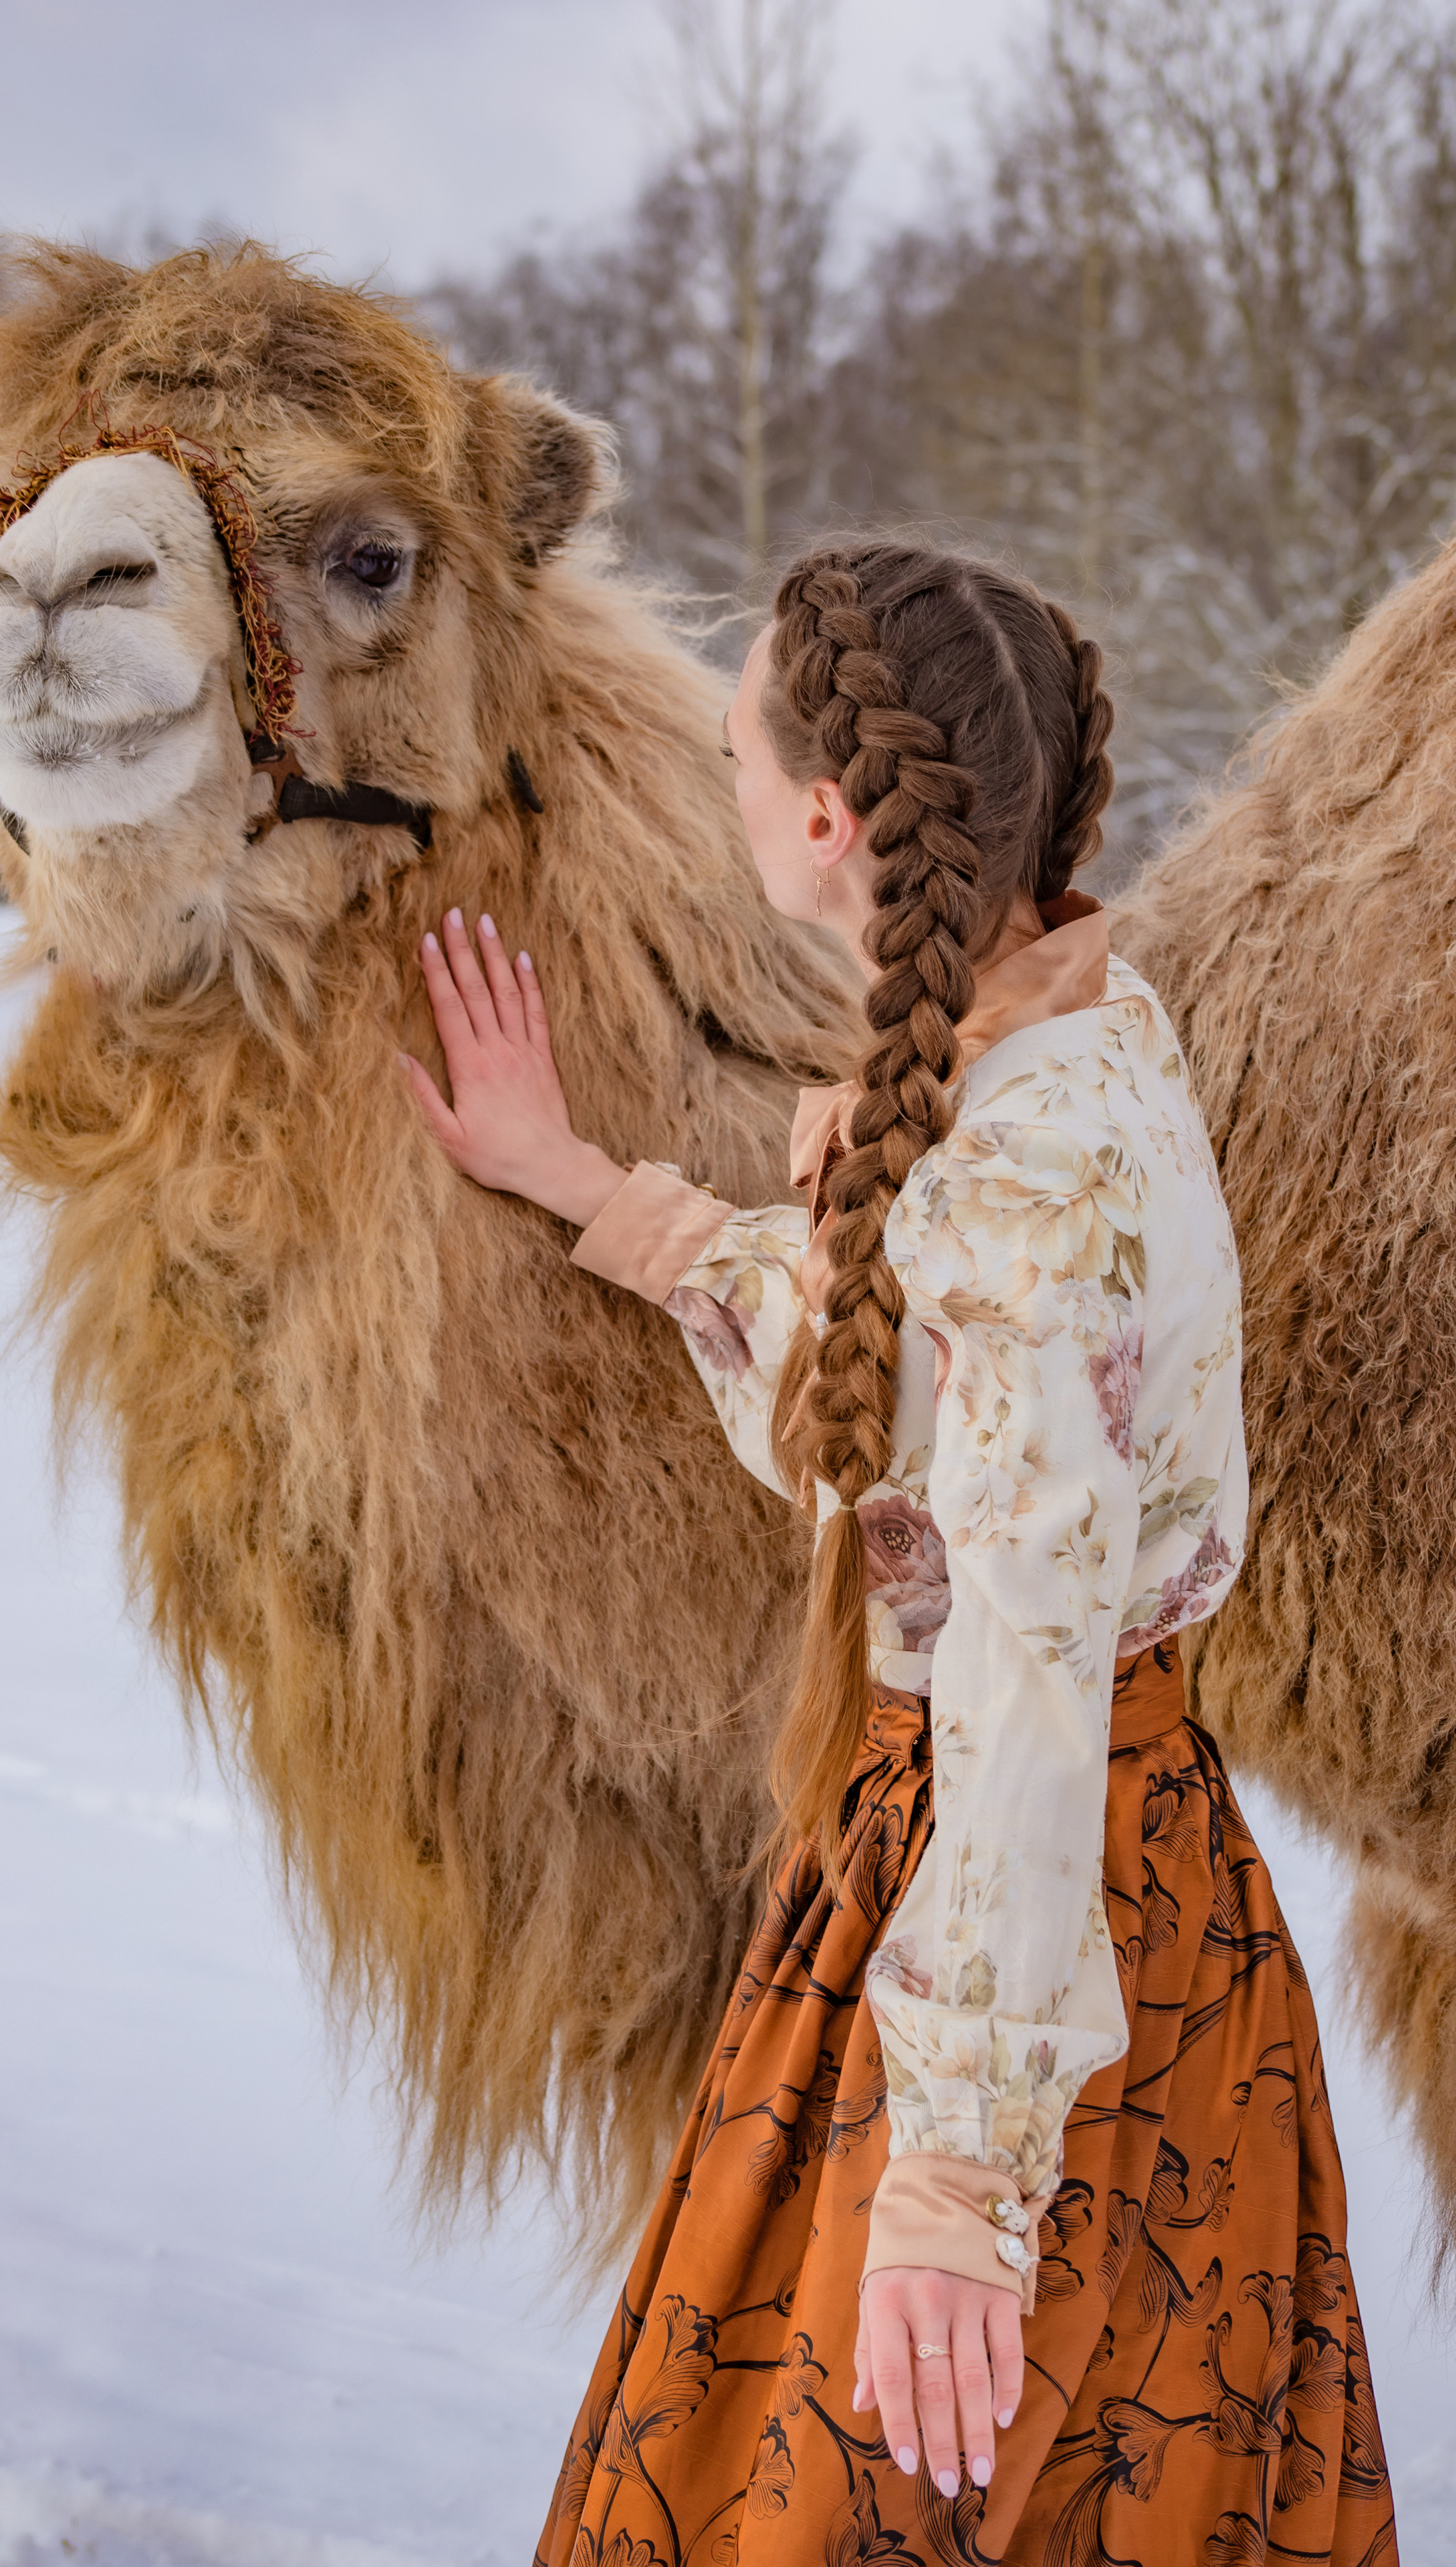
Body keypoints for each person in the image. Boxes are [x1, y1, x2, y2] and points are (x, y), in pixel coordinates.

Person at [402, 542, 1396, 2563]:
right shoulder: (1063, 1049)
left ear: (833, 819)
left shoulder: (1020, 1172)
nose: (727, 785)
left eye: (740, 746)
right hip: (1064, 1907)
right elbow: (908, 1373)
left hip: (1015, 1937)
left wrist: (959, 2190)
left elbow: (1025, 1680)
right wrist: (590, 1185)